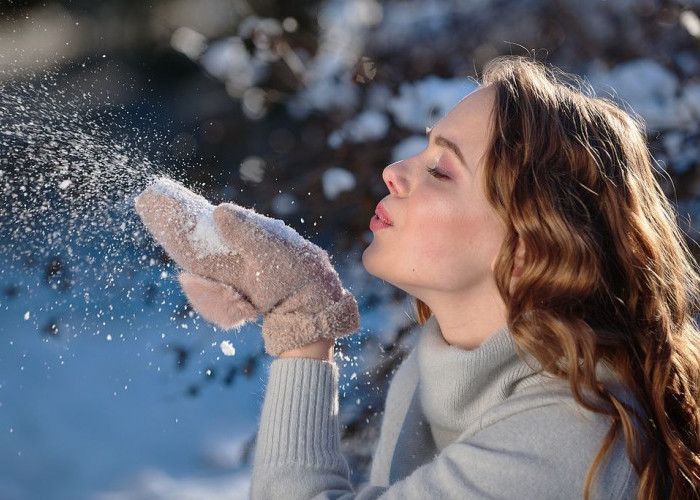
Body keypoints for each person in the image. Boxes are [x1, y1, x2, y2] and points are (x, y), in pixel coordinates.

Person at [134, 56, 700, 499]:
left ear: (527, 246)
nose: (394, 171)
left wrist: (303, 325)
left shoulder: (571, 439)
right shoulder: (438, 367)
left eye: (440, 169)